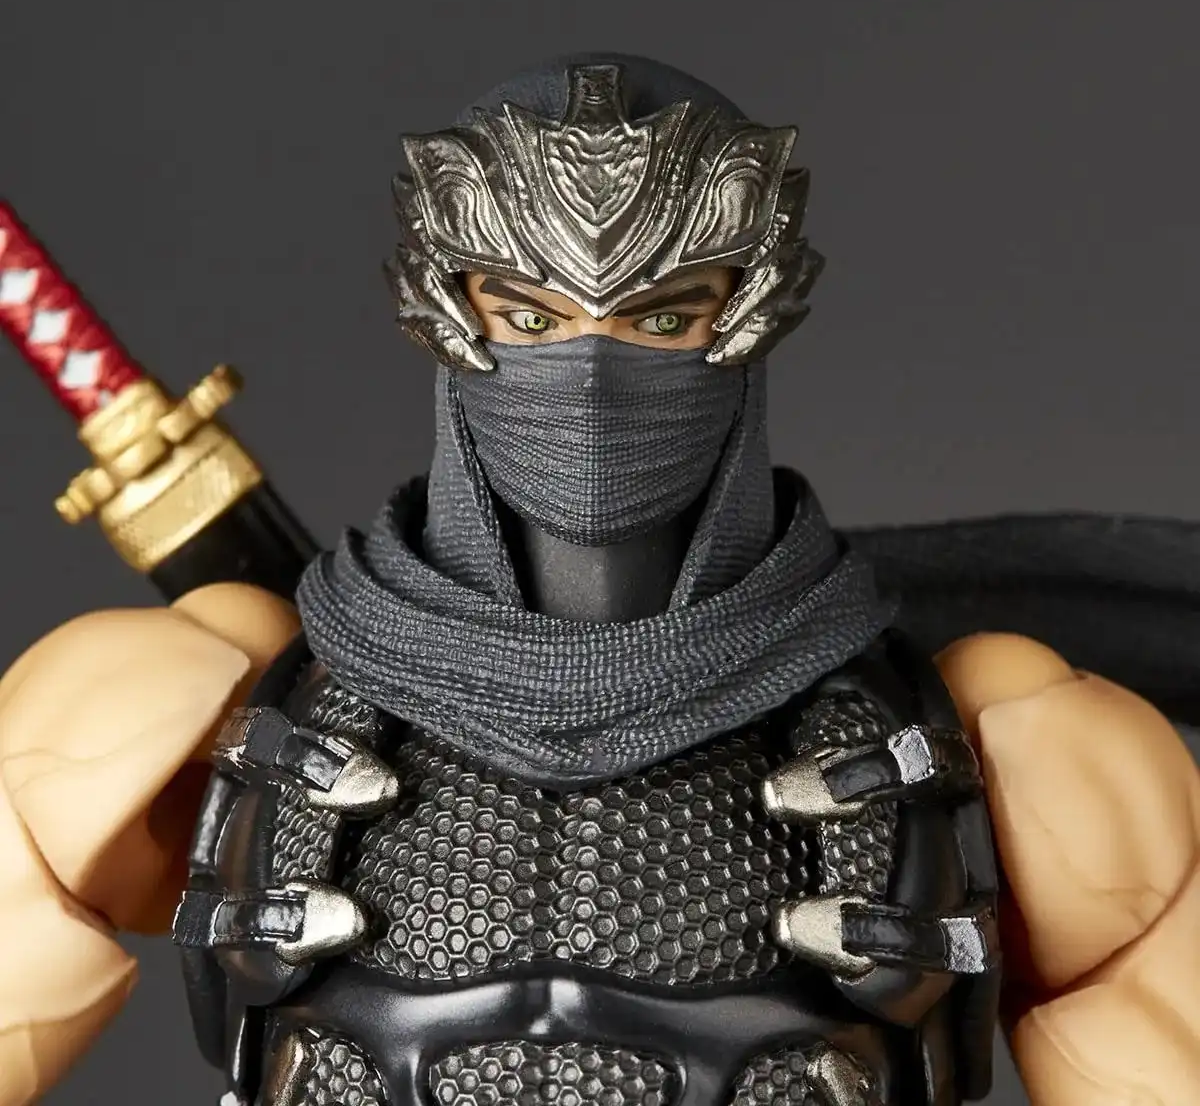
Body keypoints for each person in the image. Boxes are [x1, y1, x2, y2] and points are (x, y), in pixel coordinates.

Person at [0, 56, 1196, 1106]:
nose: (587, 375)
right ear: (451, 311)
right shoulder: (191, 699)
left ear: (746, 315)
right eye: (529, 316)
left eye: (662, 319)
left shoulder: (1002, 739)